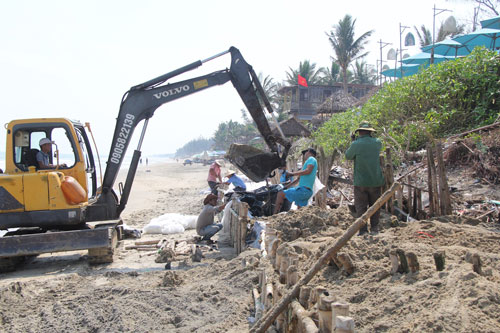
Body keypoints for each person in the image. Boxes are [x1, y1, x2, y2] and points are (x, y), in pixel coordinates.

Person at [345, 121, 385, 235]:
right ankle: (374, 228)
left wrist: (353, 141)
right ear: (370, 132)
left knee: (361, 206)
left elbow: (348, 156)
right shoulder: (377, 143)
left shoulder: (356, 144)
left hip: (361, 181)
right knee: (375, 206)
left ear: (359, 132)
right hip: (375, 180)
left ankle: (362, 230)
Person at [273, 147, 318, 214]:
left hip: (303, 190)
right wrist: (287, 186)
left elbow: (308, 171)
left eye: (305, 153)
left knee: (280, 194)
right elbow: (298, 179)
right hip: (306, 192)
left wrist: (292, 174)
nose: (304, 155)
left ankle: (274, 214)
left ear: (308, 152)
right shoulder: (306, 164)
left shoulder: (311, 159)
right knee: (299, 213)